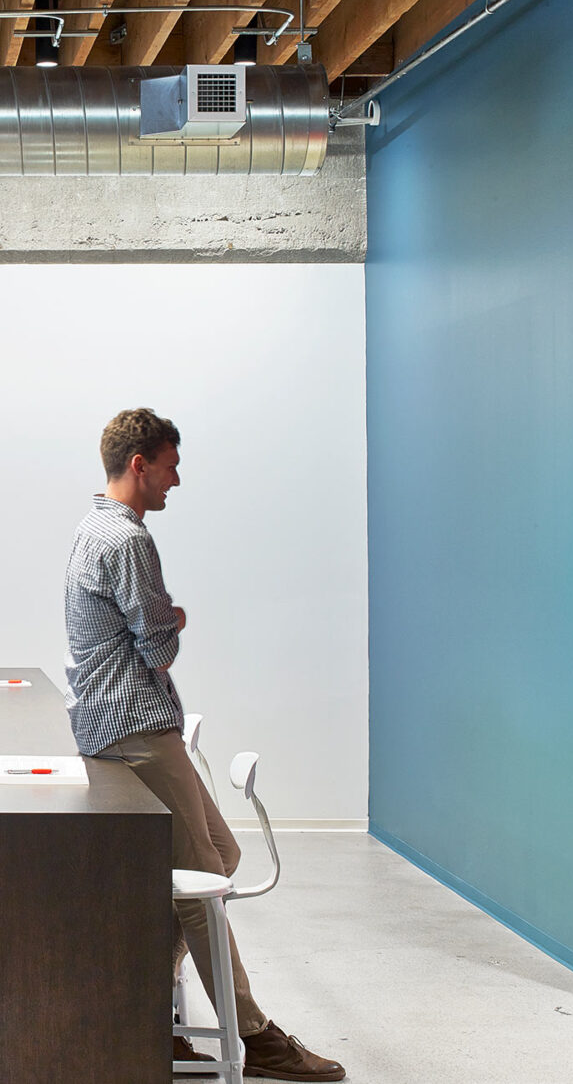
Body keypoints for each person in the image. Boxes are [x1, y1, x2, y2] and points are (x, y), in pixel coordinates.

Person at [63, 408, 346, 1082]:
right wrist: (173, 617)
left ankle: (138, 1009)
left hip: (128, 724)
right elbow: (156, 638)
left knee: (220, 854)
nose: (176, 479)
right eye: (170, 464)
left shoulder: (90, 526)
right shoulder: (127, 539)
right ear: (140, 464)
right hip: (132, 729)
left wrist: (159, 619)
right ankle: (256, 1034)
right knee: (200, 886)